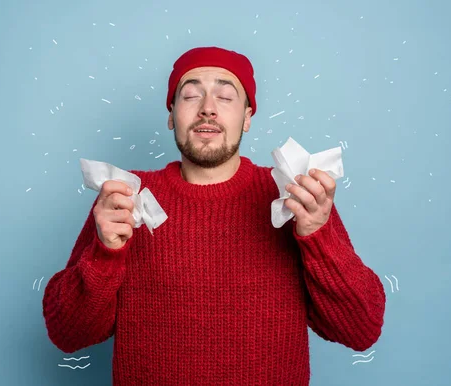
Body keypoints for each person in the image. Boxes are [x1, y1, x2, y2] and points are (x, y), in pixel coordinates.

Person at [42, 46, 386, 385]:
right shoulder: (125, 200)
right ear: (171, 113)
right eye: (191, 96)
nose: (208, 109)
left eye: (225, 97)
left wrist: (317, 235)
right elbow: (68, 334)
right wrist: (105, 252)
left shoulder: (296, 198)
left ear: (248, 116)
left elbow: (360, 330)